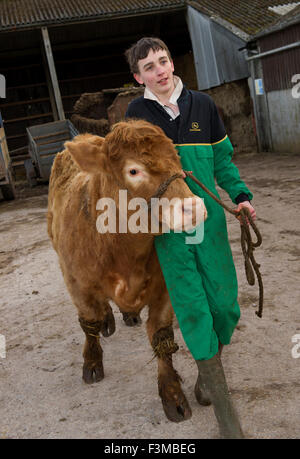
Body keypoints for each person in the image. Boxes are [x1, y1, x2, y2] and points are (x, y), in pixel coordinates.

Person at [125, 37, 256, 437]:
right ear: (138, 76)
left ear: (172, 63)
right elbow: (129, 172)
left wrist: (241, 196)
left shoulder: (203, 105)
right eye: (149, 67)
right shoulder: (135, 114)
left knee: (224, 305)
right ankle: (226, 416)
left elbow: (222, 161)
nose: (159, 70)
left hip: (210, 222)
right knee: (194, 309)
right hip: (169, 229)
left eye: (163, 61)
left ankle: (205, 368)